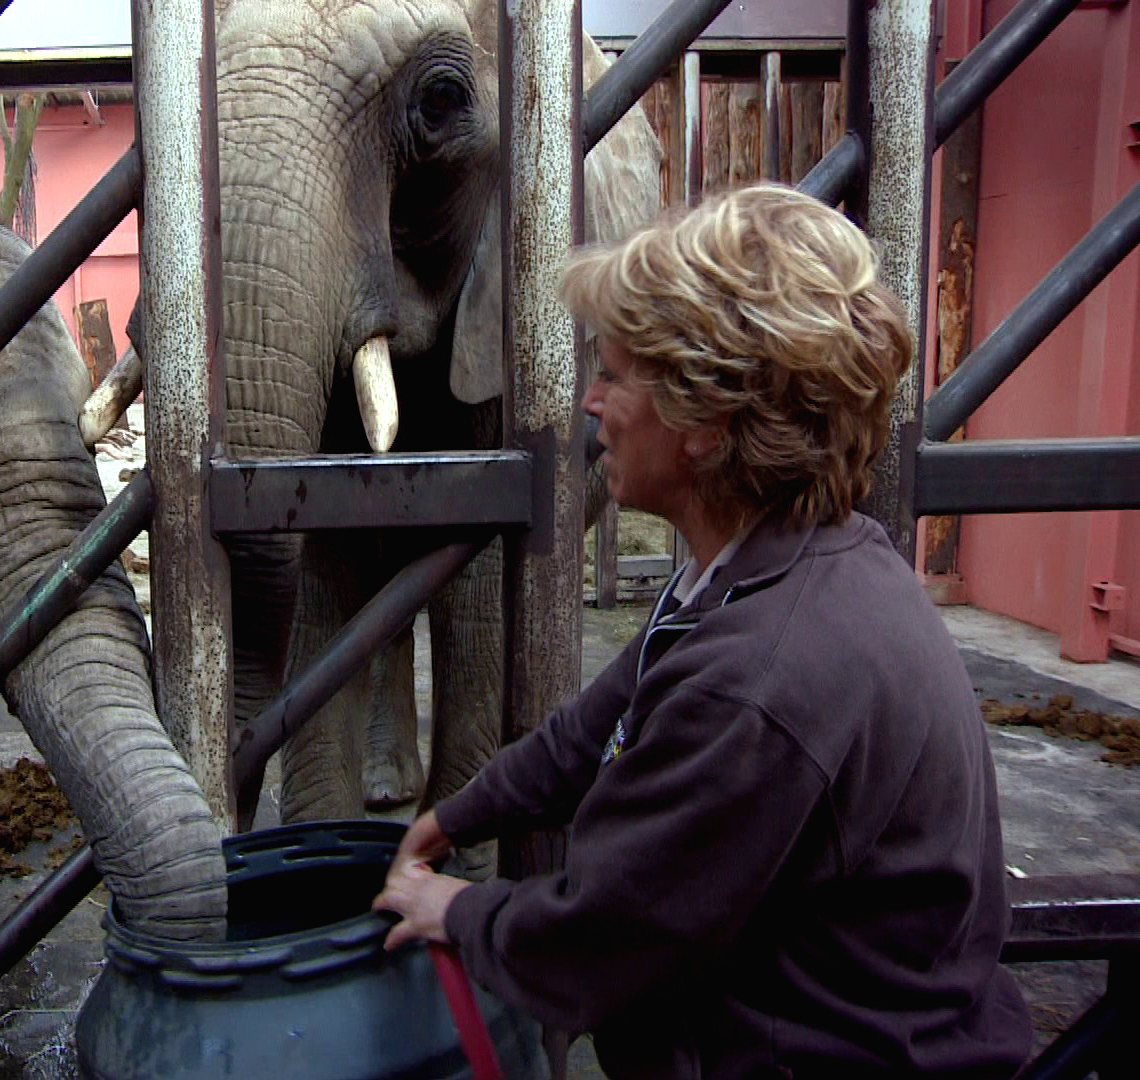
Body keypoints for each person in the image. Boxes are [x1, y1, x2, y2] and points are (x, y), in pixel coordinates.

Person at [373, 185, 1032, 1078]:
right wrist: (458, 815)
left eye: (612, 373)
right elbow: (595, 722)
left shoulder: (759, 678)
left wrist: (453, 909)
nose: (591, 401)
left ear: (709, 424)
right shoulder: (775, 566)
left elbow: (597, 937)